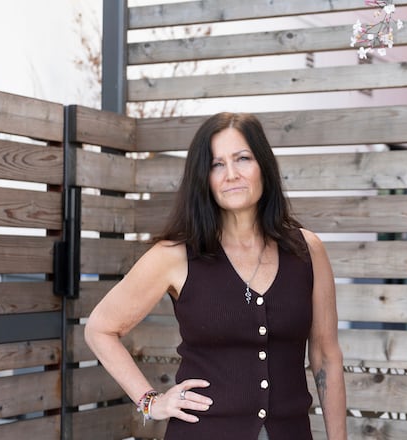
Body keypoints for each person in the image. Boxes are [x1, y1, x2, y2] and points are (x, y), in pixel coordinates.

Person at [85, 112, 347, 440]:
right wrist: (151, 401)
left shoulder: (308, 251)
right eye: (217, 164)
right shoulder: (175, 256)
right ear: (203, 177)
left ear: (263, 165)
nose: (231, 174)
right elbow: (100, 329)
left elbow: (326, 356)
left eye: (242, 158)